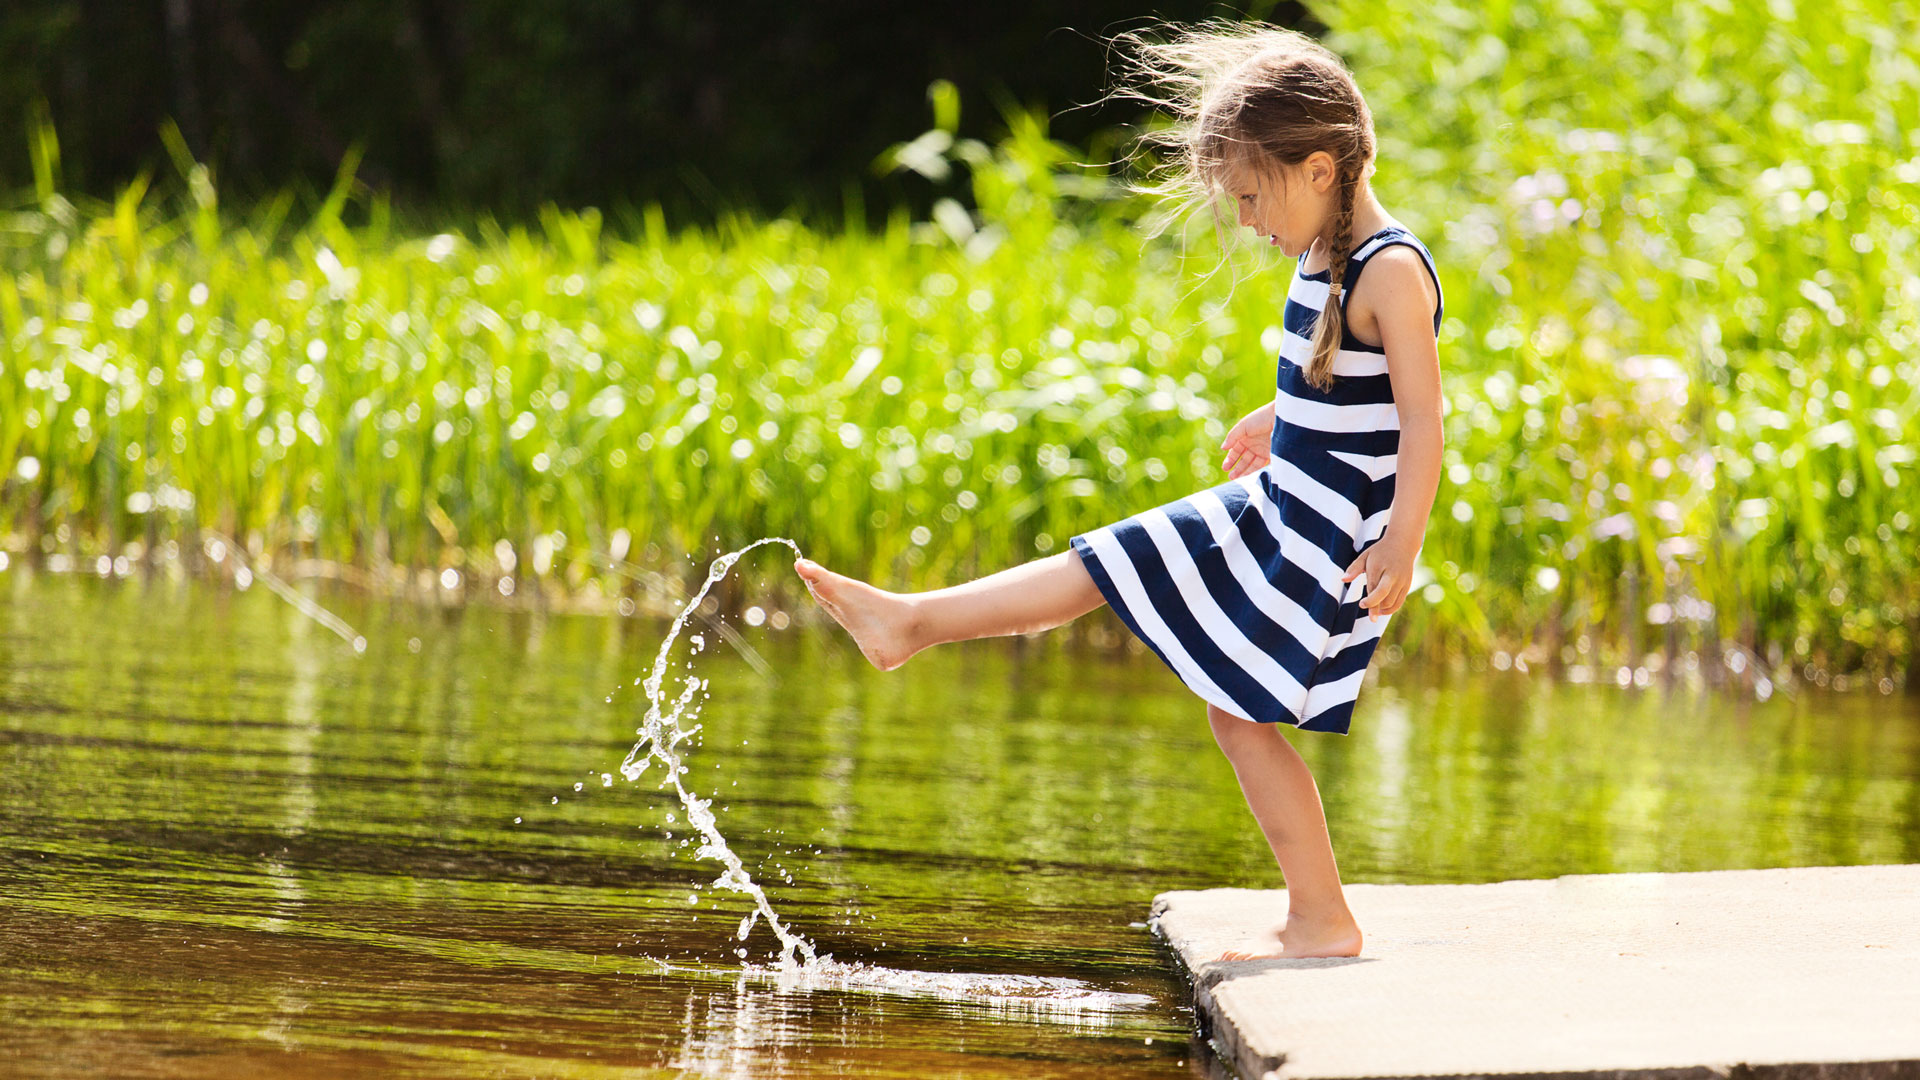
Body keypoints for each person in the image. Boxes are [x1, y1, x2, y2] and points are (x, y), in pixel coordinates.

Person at [792, 21, 1443, 961]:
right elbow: (1352, 382)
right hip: (1285, 501)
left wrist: (1402, 545)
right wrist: (1282, 415)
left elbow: (1422, 420)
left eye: (1254, 196)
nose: (1250, 221)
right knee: (1111, 560)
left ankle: (1322, 918)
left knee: (1240, 715)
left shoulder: (1390, 269)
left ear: (1318, 170)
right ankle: (913, 622)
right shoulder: (1321, 256)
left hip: (1327, 538)